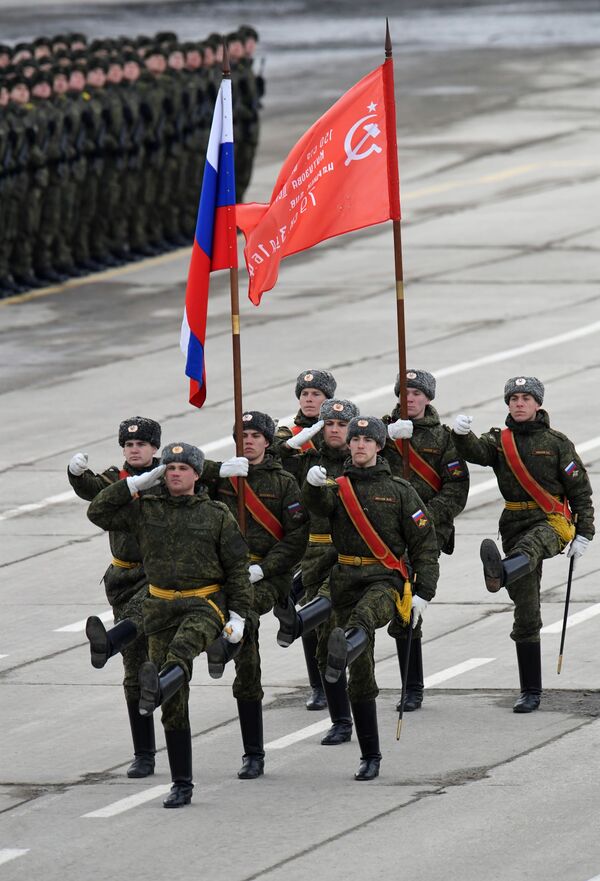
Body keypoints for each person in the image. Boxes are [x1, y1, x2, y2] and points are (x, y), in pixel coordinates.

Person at [87, 441, 251, 807]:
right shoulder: (146, 510)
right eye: (170, 467)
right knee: (174, 703)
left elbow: (238, 571)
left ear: (196, 474)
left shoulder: (217, 514)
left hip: (203, 603)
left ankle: (157, 685)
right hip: (159, 606)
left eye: (182, 467)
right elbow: (98, 512)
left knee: (180, 654)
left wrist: (239, 616)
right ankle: (182, 783)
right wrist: (134, 485)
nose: (175, 472)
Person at [302, 416, 439, 780]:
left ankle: (344, 647)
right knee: (357, 673)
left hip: (385, 579)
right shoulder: (337, 486)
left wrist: (424, 592)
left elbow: (425, 544)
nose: (360, 445)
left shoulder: (399, 490)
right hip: (344, 577)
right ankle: (368, 752)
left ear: (379, 447)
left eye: (367, 440)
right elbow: (316, 509)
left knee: (363, 620)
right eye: (355, 439)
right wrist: (312, 486)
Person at [452, 376, 594, 712]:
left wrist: (585, 532)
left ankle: (500, 572)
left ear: (538, 404)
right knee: (526, 610)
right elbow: (475, 452)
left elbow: (580, 491)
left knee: (530, 548)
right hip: (513, 523)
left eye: (526, 398)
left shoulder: (557, 442)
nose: (519, 403)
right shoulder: (499, 441)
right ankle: (530, 690)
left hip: (552, 522)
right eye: (513, 398)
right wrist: (460, 434)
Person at [200, 411, 309, 779]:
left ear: (267, 440)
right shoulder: (225, 478)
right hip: (227, 574)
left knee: (245, 644)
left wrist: (265, 568)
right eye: (241, 434)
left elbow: (296, 538)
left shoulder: (283, 483)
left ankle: (253, 754)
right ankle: (223, 644)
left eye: (254, 435)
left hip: (267, 576)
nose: (247, 440)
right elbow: (181, 472)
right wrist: (219, 472)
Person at [68, 416, 162, 779]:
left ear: (155, 448)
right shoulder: (116, 480)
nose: (134, 450)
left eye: (140, 444)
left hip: (161, 575)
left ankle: (108, 643)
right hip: (123, 577)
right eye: (128, 445)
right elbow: (91, 490)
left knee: (149, 637)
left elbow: (204, 479)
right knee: (135, 669)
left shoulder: (169, 477)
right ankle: (144, 753)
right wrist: (75, 474)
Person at [381, 369, 469, 712]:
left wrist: (423, 520)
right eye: (405, 392)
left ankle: (412, 686)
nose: (410, 398)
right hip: (383, 533)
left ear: (428, 398)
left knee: (409, 604)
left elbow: (456, 488)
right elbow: (355, 464)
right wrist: (388, 438)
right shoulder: (381, 432)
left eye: (417, 393)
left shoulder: (443, 438)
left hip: (424, 535)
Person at [274, 398, 359, 745]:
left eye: (342, 425)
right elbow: (272, 468)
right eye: (329, 425)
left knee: (344, 637)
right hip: (314, 552)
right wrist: (290, 446)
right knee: (321, 635)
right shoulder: (307, 460)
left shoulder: (368, 461)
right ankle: (338, 716)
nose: (335, 430)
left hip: (356, 555)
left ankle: (356, 717)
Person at [273, 367, 337, 709]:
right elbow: (270, 459)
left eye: (316, 395)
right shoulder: (289, 434)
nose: (309, 399)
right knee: (306, 609)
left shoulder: (338, 431)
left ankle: (336, 680)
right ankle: (317, 685)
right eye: (304, 394)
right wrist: (291, 445)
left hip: (335, 535)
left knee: (327, 610)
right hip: (302, 535)